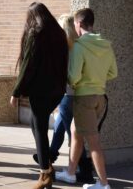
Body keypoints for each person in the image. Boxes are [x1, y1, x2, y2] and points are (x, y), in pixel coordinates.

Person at [56, 8, 118, 189]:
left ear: (79, 24)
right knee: (75, 132)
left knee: (93, 143)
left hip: (84, 99)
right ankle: (70, 173)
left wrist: (72, 79)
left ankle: (104, 184)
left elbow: (73, 77)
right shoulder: (105, 44)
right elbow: (113, 72)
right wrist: (96, 78)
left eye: (75, 24)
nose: (74, 27)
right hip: (101, 98)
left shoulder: (79, 46)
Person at [10, 2, 68, 189]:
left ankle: (45, 174)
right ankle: (47, 167)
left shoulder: (36, 33)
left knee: (40, 129)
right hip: (58, 90)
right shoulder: (59, 34)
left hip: (41, 91)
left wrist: (16, 91)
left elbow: (28, 65)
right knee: (36, 124)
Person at [33, 14, 93, 182]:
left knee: (73, 134)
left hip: (69, 93)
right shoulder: (78, 45)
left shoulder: (66, 47)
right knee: (61, 124)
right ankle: (50, 155)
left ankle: (85, 169)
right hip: (74, 94)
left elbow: (66, 74)